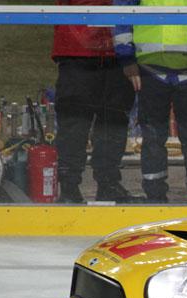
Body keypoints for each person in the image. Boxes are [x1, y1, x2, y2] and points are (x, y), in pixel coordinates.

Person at [114, 0, 187, 203]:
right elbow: (122, 11)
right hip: (153, 65)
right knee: (153, 135)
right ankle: (155, 191)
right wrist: (127, 57)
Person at [52, 0, 136, 203]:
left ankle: (105, 182)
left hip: (115, 51)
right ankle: (70, 185)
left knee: (113, 121)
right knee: (75, 123)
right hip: (80, 50)